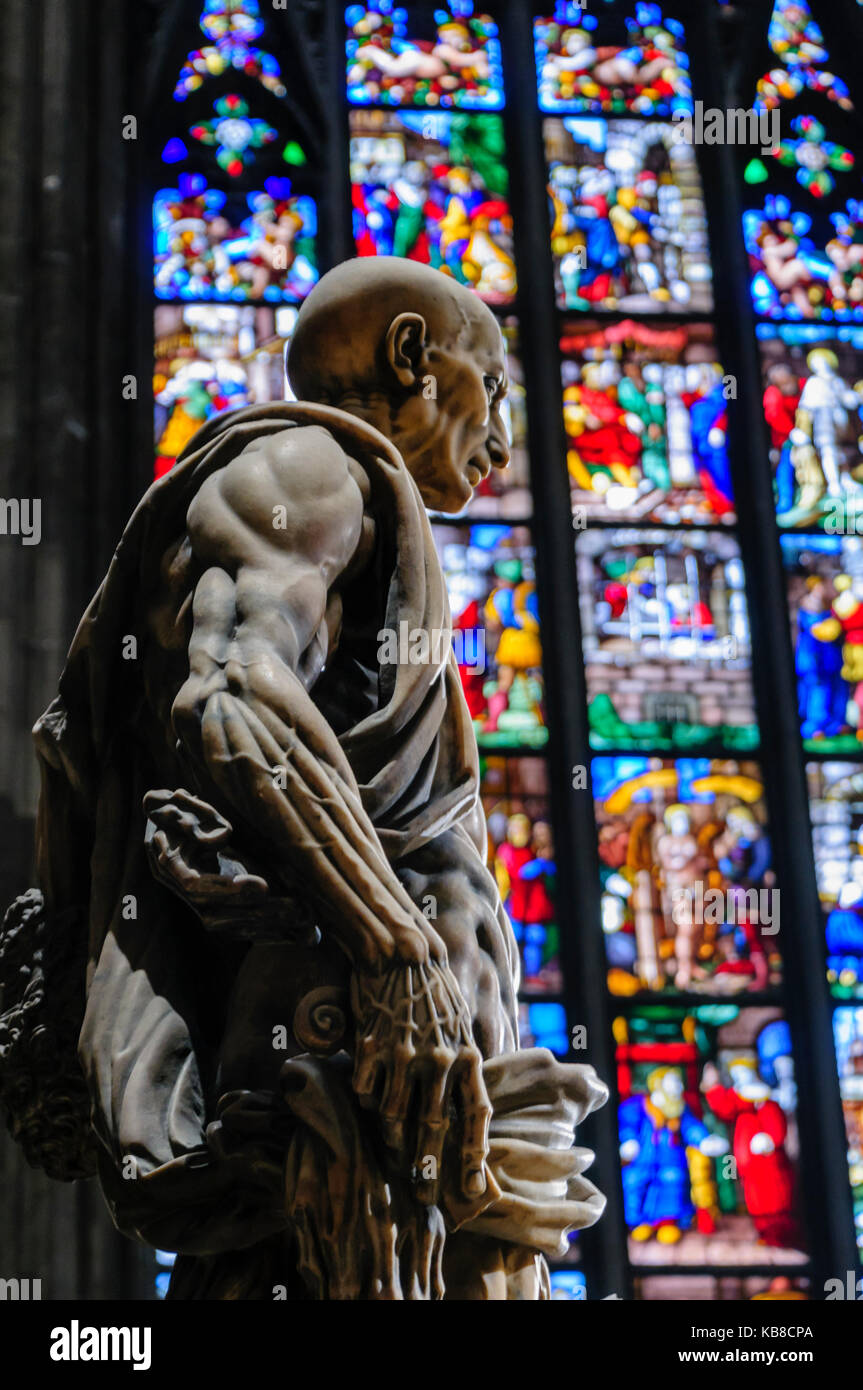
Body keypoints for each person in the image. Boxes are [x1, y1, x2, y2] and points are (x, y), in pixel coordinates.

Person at [0, 257, 606, 1301]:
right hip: (346, 1076)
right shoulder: (306, 465)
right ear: (414, 353)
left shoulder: (355, 508)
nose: (504, 441)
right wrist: (396, 945)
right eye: (493, 387)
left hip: (418, 1095)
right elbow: (229, 696)